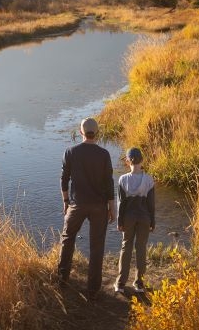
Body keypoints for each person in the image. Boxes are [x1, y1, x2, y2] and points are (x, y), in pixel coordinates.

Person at [57, 117, 116, 300]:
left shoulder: (70, 152)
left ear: (81, 132)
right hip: (99, 206)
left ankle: (62, 280)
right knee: (97, 247)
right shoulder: (104, 154)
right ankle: (93, 290)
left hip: (77, 205)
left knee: (67, 240)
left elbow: (64, 179)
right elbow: (109, 183)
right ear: (97, 133)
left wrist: (66, 201)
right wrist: (112, 207)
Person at [114, 147, 155, 294]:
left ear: (127, 161)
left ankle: (120, 284)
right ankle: (139, 284)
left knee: (126, 247)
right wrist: (153, 222)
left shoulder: (123, 179)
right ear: (142, 160)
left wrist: (119, 221)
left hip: (128, 218)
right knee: (141, 248)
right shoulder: (149, 180)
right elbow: (151, 204)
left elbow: (121, 203)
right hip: (144, 218)